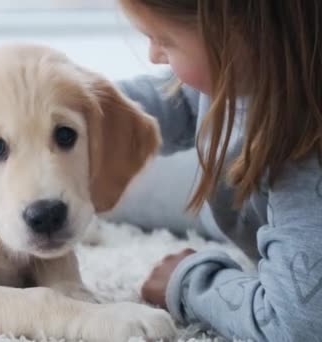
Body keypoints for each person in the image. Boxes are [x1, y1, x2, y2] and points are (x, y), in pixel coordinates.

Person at [114, 1, 322, 341]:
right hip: (238, 201)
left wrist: (189, 281)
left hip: (270, 212)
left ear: (239, 32)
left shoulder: (307, 156)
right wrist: (85, 103)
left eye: (164, 41)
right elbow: (178, 100)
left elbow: (296, 325)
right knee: (105, 186)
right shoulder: (254, 61)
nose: (153, 55)